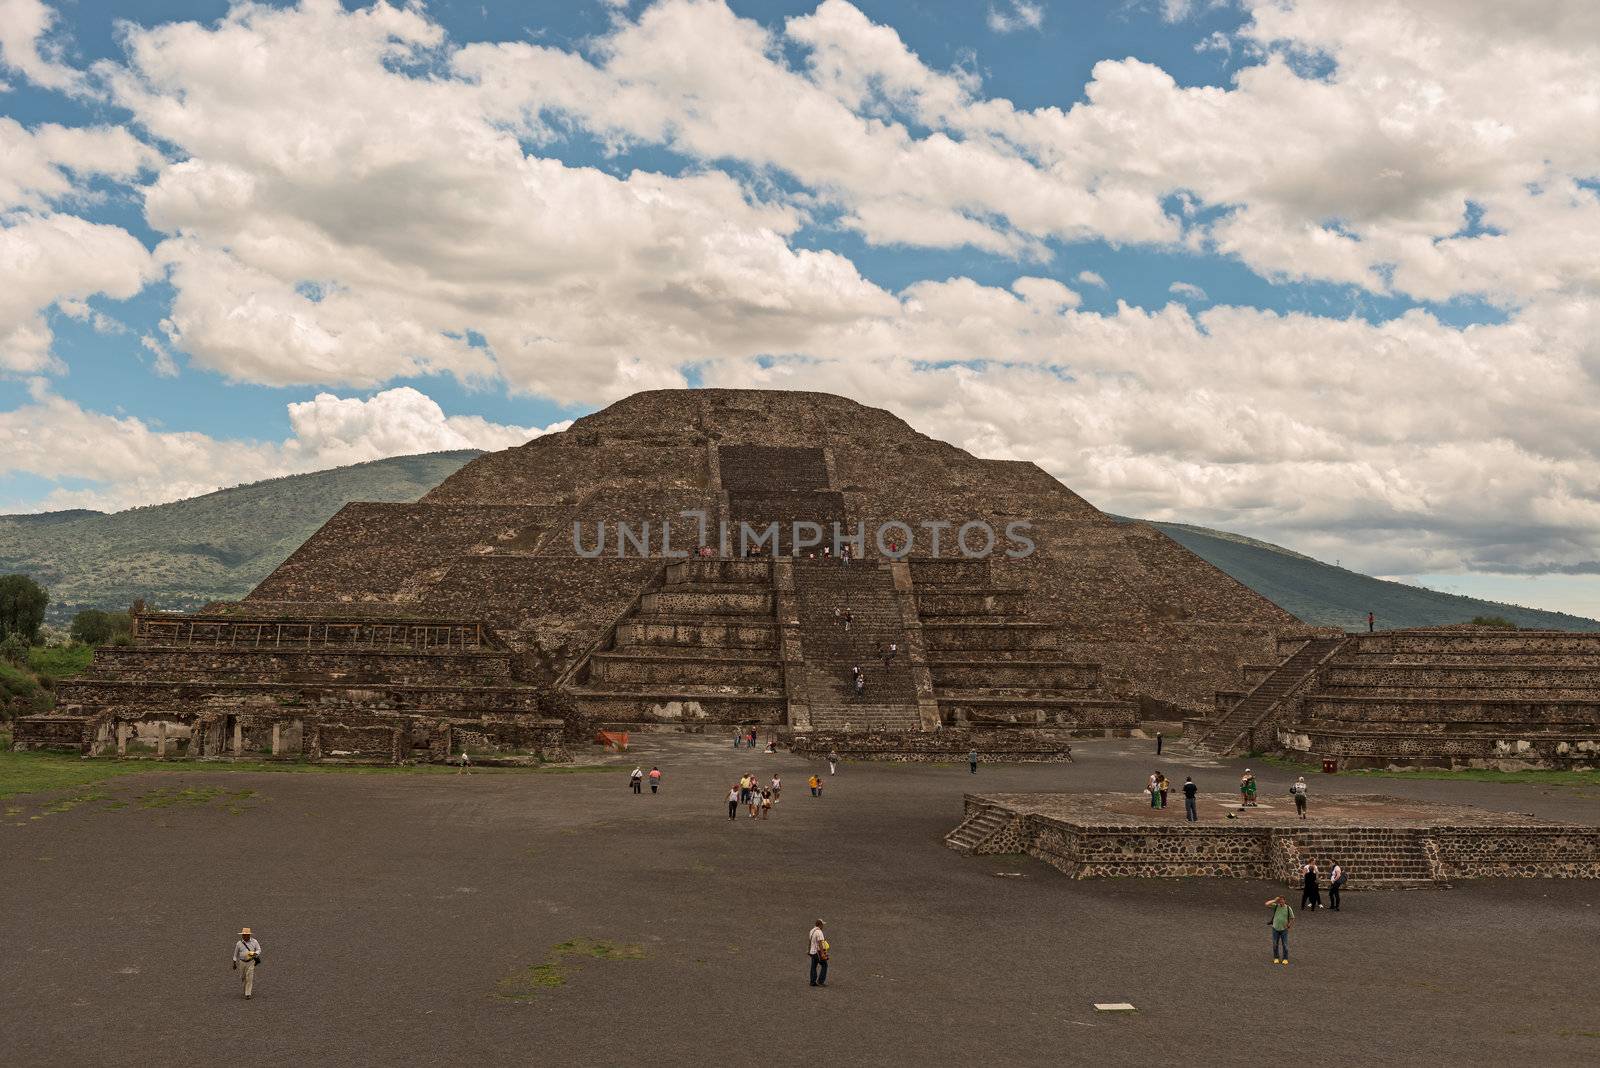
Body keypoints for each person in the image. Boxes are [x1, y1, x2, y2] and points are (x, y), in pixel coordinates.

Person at [232, 927, 262, 999]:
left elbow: (259, 949)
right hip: (242, 962)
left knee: (249, 977)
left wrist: (255, 953)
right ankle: (245, 989)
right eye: (243, 935)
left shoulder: (254, 942)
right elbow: (235, 954)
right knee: (243, 977)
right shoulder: (239, 943)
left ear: (249, 935)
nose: (244, 936)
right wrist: (234, 962)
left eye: (246, 935)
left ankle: (248, 994)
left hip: (251, 962)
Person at [1265, 896, 1294, 964]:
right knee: (1275, 944)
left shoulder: (1288, 908)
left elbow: (1292, 917)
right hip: (1275, 928)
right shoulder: (1276, 906)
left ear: (1285, 901)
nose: (1281, 902)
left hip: (1284, 929)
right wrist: (1274, 900)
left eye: (1282, 900)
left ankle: (1285, 958)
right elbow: (1267, 904)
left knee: (1285, 944)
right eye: (1280, 900)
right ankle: (1276, 958)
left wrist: (1289, 924)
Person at [808, 919, 829, 987]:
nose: (823, 926)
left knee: (813, 966)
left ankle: (812, 981)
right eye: (822, 925)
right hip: (818, 952)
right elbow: (820, 943)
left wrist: (808, 950)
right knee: (824, 965)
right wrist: (822, 953)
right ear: (820, 925)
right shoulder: (819, 932)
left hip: (812, 952)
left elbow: (810, 941)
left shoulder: (812, 931)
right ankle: (820, 981)